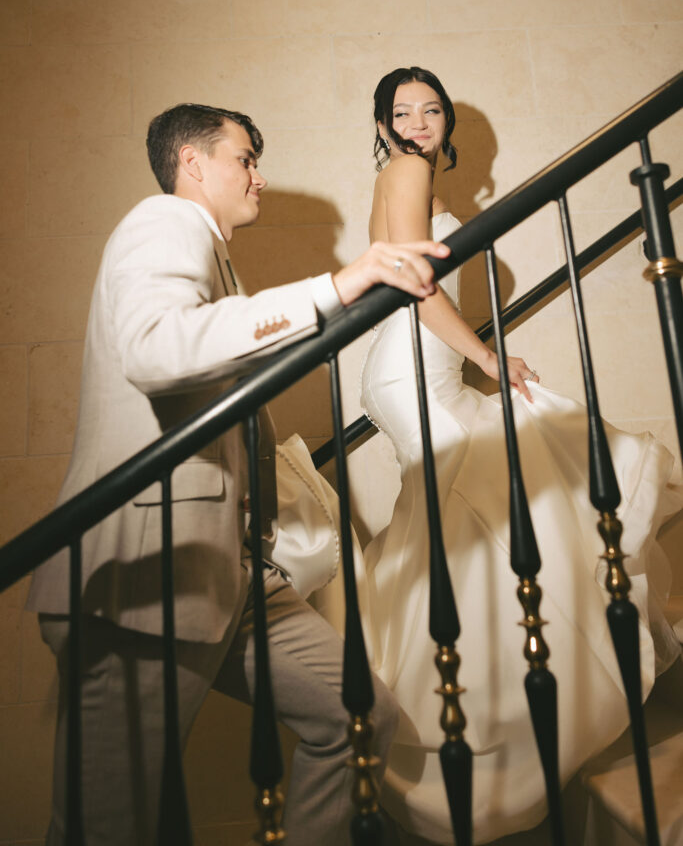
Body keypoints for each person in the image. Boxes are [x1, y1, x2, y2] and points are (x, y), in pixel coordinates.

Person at [25, 102, 451, 846]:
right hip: (146, 577)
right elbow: (154, 347)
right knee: (106, 826)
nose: (258, 175)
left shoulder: (214, 254)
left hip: (234, 572)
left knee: (359, 717)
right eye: (244, 158)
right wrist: (335, 287)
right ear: (191, 164)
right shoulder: (165, 222)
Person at [356, 67, 682, 844]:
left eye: (431, 109)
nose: (418, 122)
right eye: (401, 112)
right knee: (519, 469)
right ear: (381, 128)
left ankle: (498, 692)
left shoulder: (414, 176)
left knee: (495, 502)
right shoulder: (404, 170)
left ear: (447, 123)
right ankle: (505, 703)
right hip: (413, 366)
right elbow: (411, 280)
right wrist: (488, 358)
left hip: (415, 364)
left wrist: (473, 359)